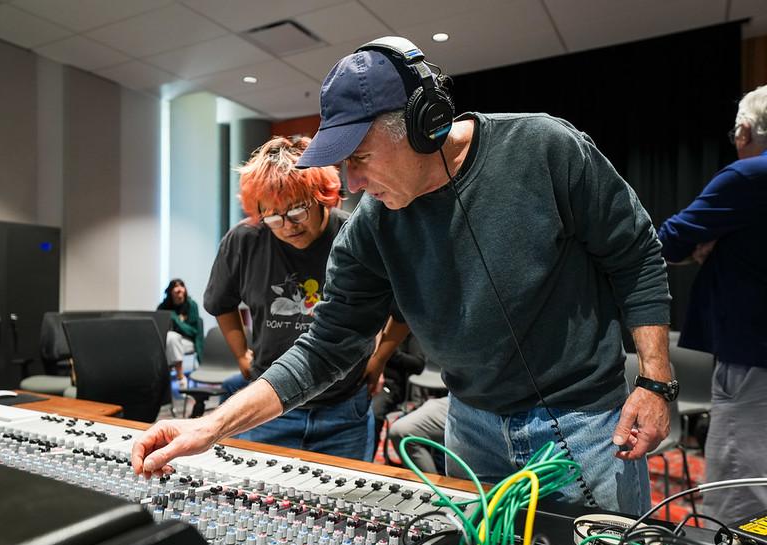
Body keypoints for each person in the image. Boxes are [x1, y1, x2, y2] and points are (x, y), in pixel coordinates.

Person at [134, 37, 673, 515]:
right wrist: (212, 427)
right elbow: (324, 348)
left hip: (587, 423)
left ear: (424, 125)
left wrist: (653, 380)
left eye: (361, 158)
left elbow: (637, 253)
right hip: (472, 425)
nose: (351, 183)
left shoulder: (545, 148)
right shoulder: (371, 230)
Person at [200, 135, 398, 462]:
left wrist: (378, 359)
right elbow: (221, 303)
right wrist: (242, 356)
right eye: (273, 217)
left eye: (296, 211)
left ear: (321, 196)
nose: (287, 226)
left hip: (343, 409)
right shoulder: (245, 240)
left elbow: (401, 308)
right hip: (269, 409)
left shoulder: (356, 235)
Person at [658, 85, 767, 524]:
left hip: (752, 356)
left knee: (738, 490)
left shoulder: (747, 178)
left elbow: (667, 240)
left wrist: (707, 242)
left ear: (744, 131)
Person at [157, 278, 204, 387]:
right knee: (169, 341)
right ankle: (170, 382)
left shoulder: (191, 305)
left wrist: (176, 321)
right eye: (176, 288)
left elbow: (193, 331)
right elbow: (158, 328)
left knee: (172, 337)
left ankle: (179, 377)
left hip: (188, 341)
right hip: (167, 343)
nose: (180, 291)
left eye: (182, 287)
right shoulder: (163, 307)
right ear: (170, 292)